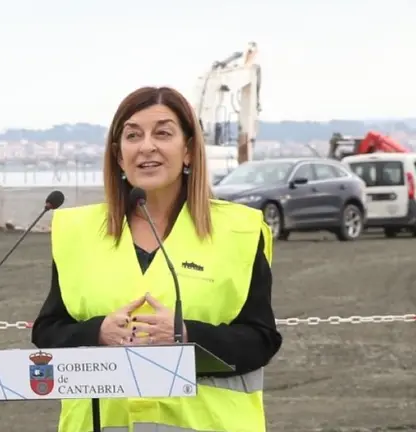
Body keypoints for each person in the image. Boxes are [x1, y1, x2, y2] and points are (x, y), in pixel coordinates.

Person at [31, 86, 283, 432]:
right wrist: (98, 333)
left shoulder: (238, 230)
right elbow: (48, 331)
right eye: (133, 135)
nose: (146, 146)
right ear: (119, 157)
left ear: (189, 151)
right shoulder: (77, 232)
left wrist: (185, 335)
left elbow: (261, 339)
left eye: (162, 133)